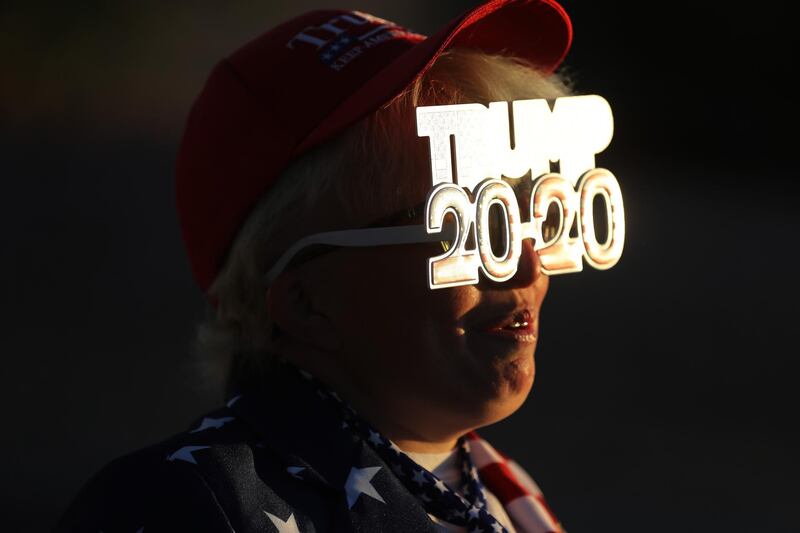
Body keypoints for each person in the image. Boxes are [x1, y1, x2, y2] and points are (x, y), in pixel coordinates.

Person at [55, 1, 577, 531]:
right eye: (460, 225)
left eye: (520, 211)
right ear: (307, 301)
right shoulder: (188, 506)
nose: (528, 265)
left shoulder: (501, 493)